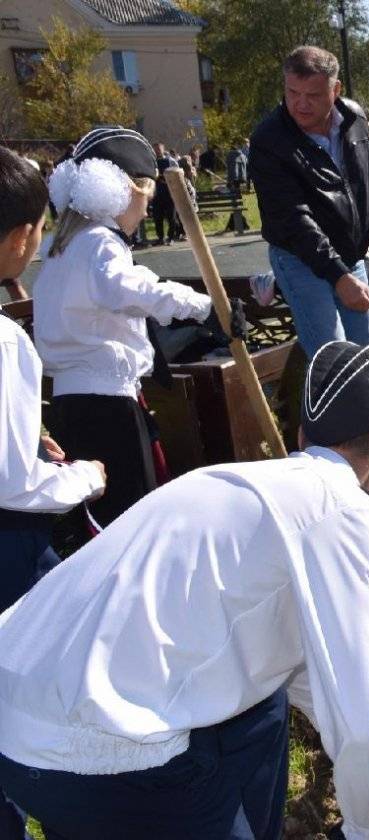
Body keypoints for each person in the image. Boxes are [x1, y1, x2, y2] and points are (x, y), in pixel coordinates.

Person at [0, 341, 369, 840]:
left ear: (301, 435)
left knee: (265, 709)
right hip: (100, 753)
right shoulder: (348, 516)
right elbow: (366, 725)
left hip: (14, 714)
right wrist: (367, 829)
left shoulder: (229, 482)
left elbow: (302, 666)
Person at [34, 127, 233, 529]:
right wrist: (202, 307)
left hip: (75, 402)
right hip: (108, 406)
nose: (145, 212)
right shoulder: (99, 243)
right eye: (145, 198)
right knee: (129, 520)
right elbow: (129, 287)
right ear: (122, 191)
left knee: (105, 518)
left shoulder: (65, 245)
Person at [0, 147, 109, 837]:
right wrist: (84, 477)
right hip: (9, 552)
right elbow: (16, 485)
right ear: (19, 237)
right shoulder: (7, 344)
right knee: (40, 699)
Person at [249, 46, 369, 356]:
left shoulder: (353, 118)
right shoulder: (270, 140)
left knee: (360, 352)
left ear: (335, 89)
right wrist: (338, 276)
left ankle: (359, 405)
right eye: (292, 92)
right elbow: (293, 219)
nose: (300, 104)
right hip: (301, 259)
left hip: (350, 254)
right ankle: (327, 403)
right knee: (333, 355)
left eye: (312, 94)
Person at [150, 141, 179, 245]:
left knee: (171, 217)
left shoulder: (171, 161)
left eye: (159, 148)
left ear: (163, 148)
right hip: (156, 194)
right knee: (158, 217)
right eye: (155, 148)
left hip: (169, 193)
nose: (157, 150)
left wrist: (166, 179)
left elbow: (177, 175)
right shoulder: (151, 162)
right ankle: (160, 238)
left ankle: (171, 237)